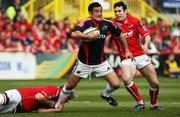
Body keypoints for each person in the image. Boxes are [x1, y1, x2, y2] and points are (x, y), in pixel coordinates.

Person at [55, 2, 132, 110]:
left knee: (116, 84)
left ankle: (105, 94)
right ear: (90, 13)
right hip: (84, 62)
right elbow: (74, 34)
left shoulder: (108, 23)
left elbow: (120, 35)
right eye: (96, 11)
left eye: (100, 11)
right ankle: (57, 104)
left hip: (101, 62)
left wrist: (127, 50)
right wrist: (87, 36)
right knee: (70, 85)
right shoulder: (85, 22)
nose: (99, 13)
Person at [112, 1, 162, 111]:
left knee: (155, 83)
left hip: (140, 55)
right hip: (126, 58)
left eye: (119, 11)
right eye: (115, 11)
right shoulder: (112, 24)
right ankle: (140, 102)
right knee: (126, 79)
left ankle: (153, 105)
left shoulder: (134, 21)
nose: (117, 13)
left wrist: (146, 44)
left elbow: (147, 35)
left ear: (125, 11)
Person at [0, 85, 73, 113]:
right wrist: (53, 104)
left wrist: (55, 109)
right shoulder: (54, 90)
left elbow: (40, 111)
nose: (66, 102)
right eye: (67, 99)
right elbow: (38, 97)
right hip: (19, 95)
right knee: (1, 99)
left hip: (17, 108)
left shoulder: (54, 101)